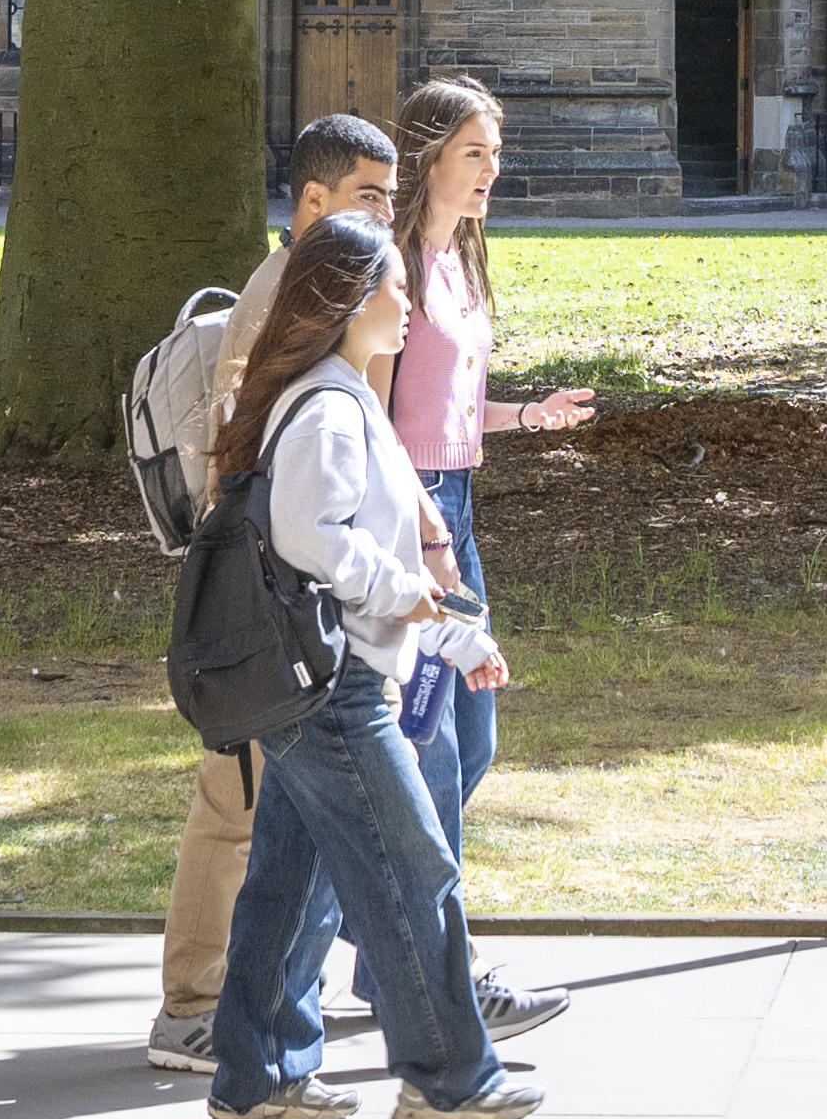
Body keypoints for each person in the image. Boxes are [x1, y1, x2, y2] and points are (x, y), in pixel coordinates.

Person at [234, 74, 585, 1066]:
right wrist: (417, 526)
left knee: (465, 749)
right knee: (417, 761)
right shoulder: (386, 270)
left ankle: (357, 968)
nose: (491, 171)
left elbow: (455, 403)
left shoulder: (465, 263)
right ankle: (431, 987)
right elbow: (372, 413)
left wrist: (526, 416)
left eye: (497, 152)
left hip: (456, 503)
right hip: (411, 513)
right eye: (475, 151)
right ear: (432, 156)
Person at [197, 211, 531, 1119]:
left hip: (323, 681)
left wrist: (457, 638)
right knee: (414, 872)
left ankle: (255, 1074)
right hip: (335, 694)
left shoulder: (340, 397)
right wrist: (409, 598)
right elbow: (315, 539)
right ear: (347, 302)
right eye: (393, 290)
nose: (409, 308)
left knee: (289, 882)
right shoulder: (331, 408)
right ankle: (449, 1079)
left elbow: (382, 551)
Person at [145, 113, 399, 1070]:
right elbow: (244, 455)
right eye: (368, 195)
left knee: (280, 803)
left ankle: (274, 988)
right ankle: (196, 1005)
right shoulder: (279, 294)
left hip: (289, 588)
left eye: (389, 193)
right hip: (263, 594)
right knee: (234, 801)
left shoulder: (318, 289)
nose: (385, 210)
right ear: (315, 202)